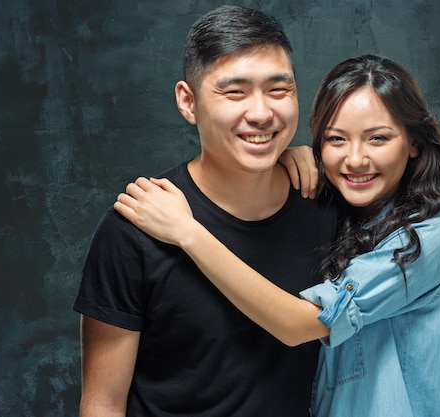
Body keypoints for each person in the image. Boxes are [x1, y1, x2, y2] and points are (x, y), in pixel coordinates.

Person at [115, 54, 440, 416]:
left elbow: (299, 325)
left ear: (413, 144)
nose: (355, 159)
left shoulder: (430, 238)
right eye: (336, 139)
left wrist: (187, 231)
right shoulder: (337, 214)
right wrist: (277, 159)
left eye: (377, 139)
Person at [73, 5, 337, 417]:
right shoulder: (134, 227)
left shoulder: (325, 204)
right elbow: (103, 404)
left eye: (278, 90)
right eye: (235, 92)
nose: (262, 113)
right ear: (188, 101)